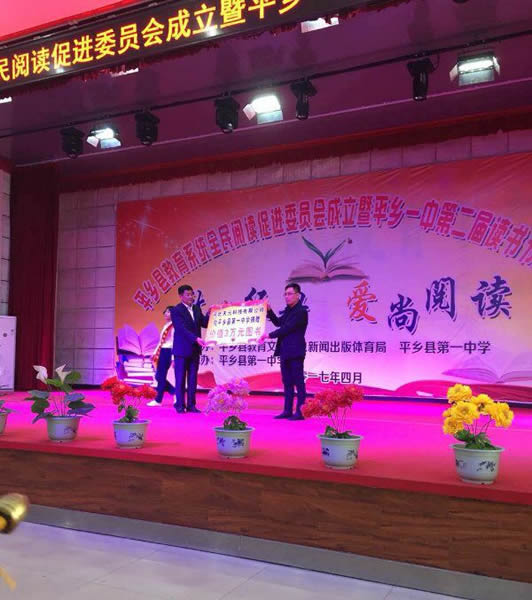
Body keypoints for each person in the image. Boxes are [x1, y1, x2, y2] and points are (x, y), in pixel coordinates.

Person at [258, 283, 308, 420]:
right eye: (285, 294)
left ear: (298, 295)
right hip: (285, 351)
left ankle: (301, 411)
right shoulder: (288, 311)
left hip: (296, 352)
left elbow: (286, 328)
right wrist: (269, 310)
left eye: (290, 294)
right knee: (287, 382)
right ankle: (287, 410)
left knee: (298, 382)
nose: (287, 296)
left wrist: (269, 335)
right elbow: (278, 323)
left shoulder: (301, 312)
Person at [170, 284, 210, 413]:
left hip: (194, 350)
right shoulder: (176, 310)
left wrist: (212, 313)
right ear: (181, 296)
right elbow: (181, 329)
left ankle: (192, 405)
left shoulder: (197, 308)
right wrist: (195, 338)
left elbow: (204, 323)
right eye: (187, 294)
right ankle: (180, 405)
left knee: (193, 379)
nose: (191, 297)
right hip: (181, 350)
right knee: (180, 379)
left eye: (192, 294)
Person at [148, 306, 175, 406]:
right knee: (159, 376)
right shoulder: (166, 325)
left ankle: (158, 400)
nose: (166, 313)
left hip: (169, 351)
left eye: (169, 312)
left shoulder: (174, 326)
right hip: (162, 351)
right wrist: (155, 353)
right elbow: (161, 342)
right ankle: (174, 392)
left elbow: (174, 343)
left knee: (161, 376)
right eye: (165, 311)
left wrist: (173, 358)